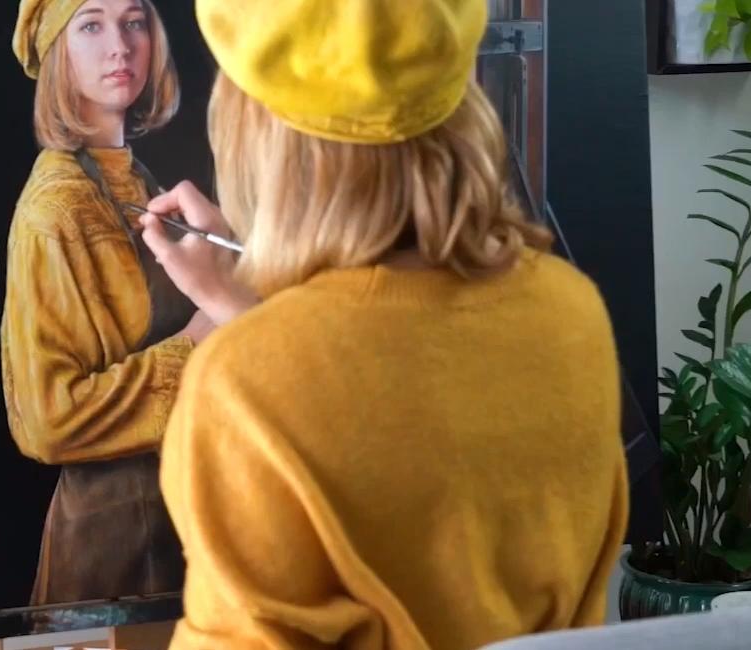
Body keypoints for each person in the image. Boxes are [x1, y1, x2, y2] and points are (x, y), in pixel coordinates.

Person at [141, 1, 629, 647]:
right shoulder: (571, 313)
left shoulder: (241, 385)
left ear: (255, 132)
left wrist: (255, 341)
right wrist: (250, 314)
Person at [1, 0, 252, 606]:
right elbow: (47, 419)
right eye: (91, 24)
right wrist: (194, 345)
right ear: (56, 50)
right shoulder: (54, 210)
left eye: (133, 21)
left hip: (183, 527)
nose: (121, 45)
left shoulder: (140, 183)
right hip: (113, 550)